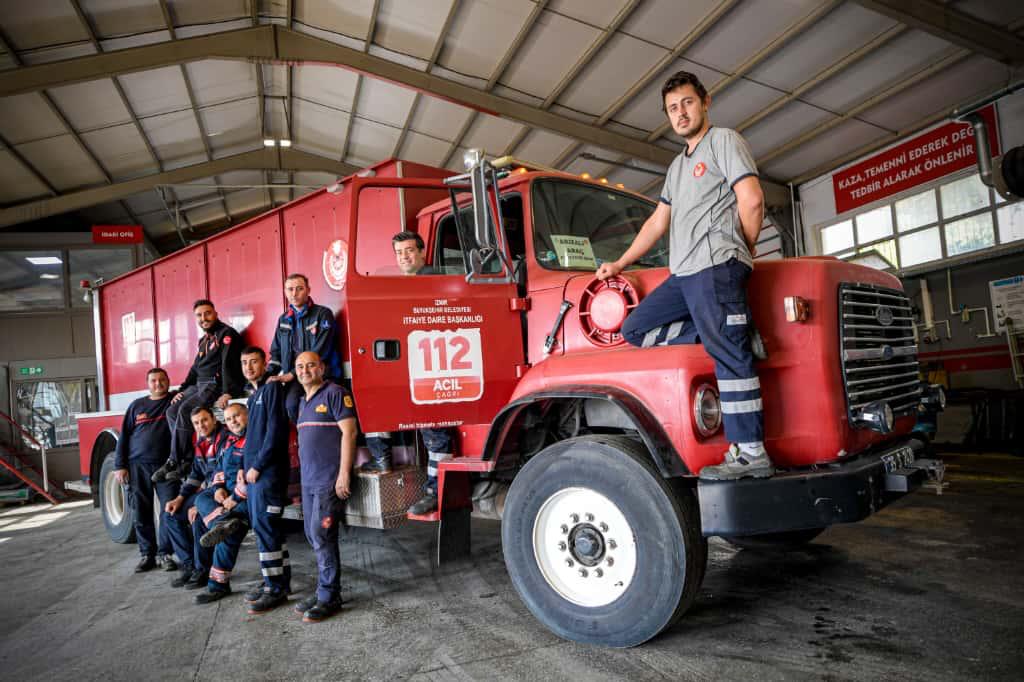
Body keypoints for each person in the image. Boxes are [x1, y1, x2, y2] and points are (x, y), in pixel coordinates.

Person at [596, 70, 770, 481]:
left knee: (729, 358)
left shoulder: (724, 141)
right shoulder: (677, 166)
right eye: (673, 108)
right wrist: (620, 263)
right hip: (685, 272)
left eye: (687, 103)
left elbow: (753, 200)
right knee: (636, 327)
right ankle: (731, 331)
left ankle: (751, 452)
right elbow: (658, 223)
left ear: (705, 102)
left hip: (716, 265)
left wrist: (740, 249)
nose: (681, 113)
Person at [390, 231, 454, 514]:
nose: (404, 256)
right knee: (430, 432)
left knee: (435, 431)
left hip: (435, 363)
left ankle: (438, 491)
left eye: (409, 250)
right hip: (417, 365)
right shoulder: (404, 285)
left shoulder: (432, 280)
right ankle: (436, 487)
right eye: (399, 252)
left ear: (422, 252)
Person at [294, 351, 357, 623]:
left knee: (322, 536)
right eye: (299, 366)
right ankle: (324, 590)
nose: (305, 370)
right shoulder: (302, 402)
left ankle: (329, 596)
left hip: (327, 480)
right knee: (312, 536)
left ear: (321, 368)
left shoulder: (335, 393)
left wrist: (344, 474)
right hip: (308, 482)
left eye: (310, 365)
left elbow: (350, 432)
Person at [153, 299, 243, 483]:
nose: (204, 318)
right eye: (199, 315)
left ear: (216, 314)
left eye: (207, 313)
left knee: (186, 410)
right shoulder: (204, 340)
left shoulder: (226, 334)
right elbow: (195, 369)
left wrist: (227, 392)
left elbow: (228, 365)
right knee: (172, 410)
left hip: (214, 384)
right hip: (198, 384)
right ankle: (186, 459)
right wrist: (182, 389)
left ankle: (174, 460)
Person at [238, 346, 293, 615]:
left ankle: (275, 589)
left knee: (266, 529)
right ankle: (280, 580)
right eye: (244, 363)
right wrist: (242, 468)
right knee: (268, 530)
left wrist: (257, 467)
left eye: (254, 362)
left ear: (264, 365)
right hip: (254, 475)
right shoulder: (254, 396)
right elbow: (252, 440)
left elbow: (275, 434)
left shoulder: (271, 390)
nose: (249, 367)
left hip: (267, 476)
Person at [112, 367, 178, 573]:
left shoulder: (175, 401)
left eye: (162, 380)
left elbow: (194, 390)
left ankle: (165, 554)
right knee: (141, 511)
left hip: (167, 466)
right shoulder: (136, 406)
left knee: (169, 510)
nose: (158, 384)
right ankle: (147, 554)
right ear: (147, 384)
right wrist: (120, 465)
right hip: (137, 465)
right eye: (153, 381)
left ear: (168, 381)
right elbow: (124, 437)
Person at [191, 402, 251, 604]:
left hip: (247, 501)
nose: (233, 421)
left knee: (229, 534)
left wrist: (233, 500)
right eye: (229, 419)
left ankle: (218, 586)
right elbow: (219, 470)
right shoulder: (230, 442)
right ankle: (221, 522)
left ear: (247, 415)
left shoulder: (253, 441)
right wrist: (218, 489)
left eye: (237, 416)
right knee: (202, 498)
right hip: (230, 498)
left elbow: (253, 478)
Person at [164, 406, 226, 590]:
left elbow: (223, 476)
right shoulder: (200, 442)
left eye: (204, 420)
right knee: (170, 514)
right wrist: (180, 498)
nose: (201, 425)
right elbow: (196, 475)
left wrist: (200, 504)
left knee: (199, 518)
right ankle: (190, 566)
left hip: (222, 493)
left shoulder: (224, 439)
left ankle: (202, 569)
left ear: (214, 419)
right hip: (206, 493)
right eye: (196, 423)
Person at [267, 273, 343, 422]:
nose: (294, 293)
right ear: (285, 292)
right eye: (290, 289)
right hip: (297, 377)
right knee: (291, 406)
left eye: (299, 288)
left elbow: (320, 351)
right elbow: (276, 353)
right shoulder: (283, 319)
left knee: (321, 410)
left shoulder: (323, 314)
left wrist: (292, 374)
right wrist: (267, 376)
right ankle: (306, 438)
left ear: (308, 290)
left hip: (321, 374)